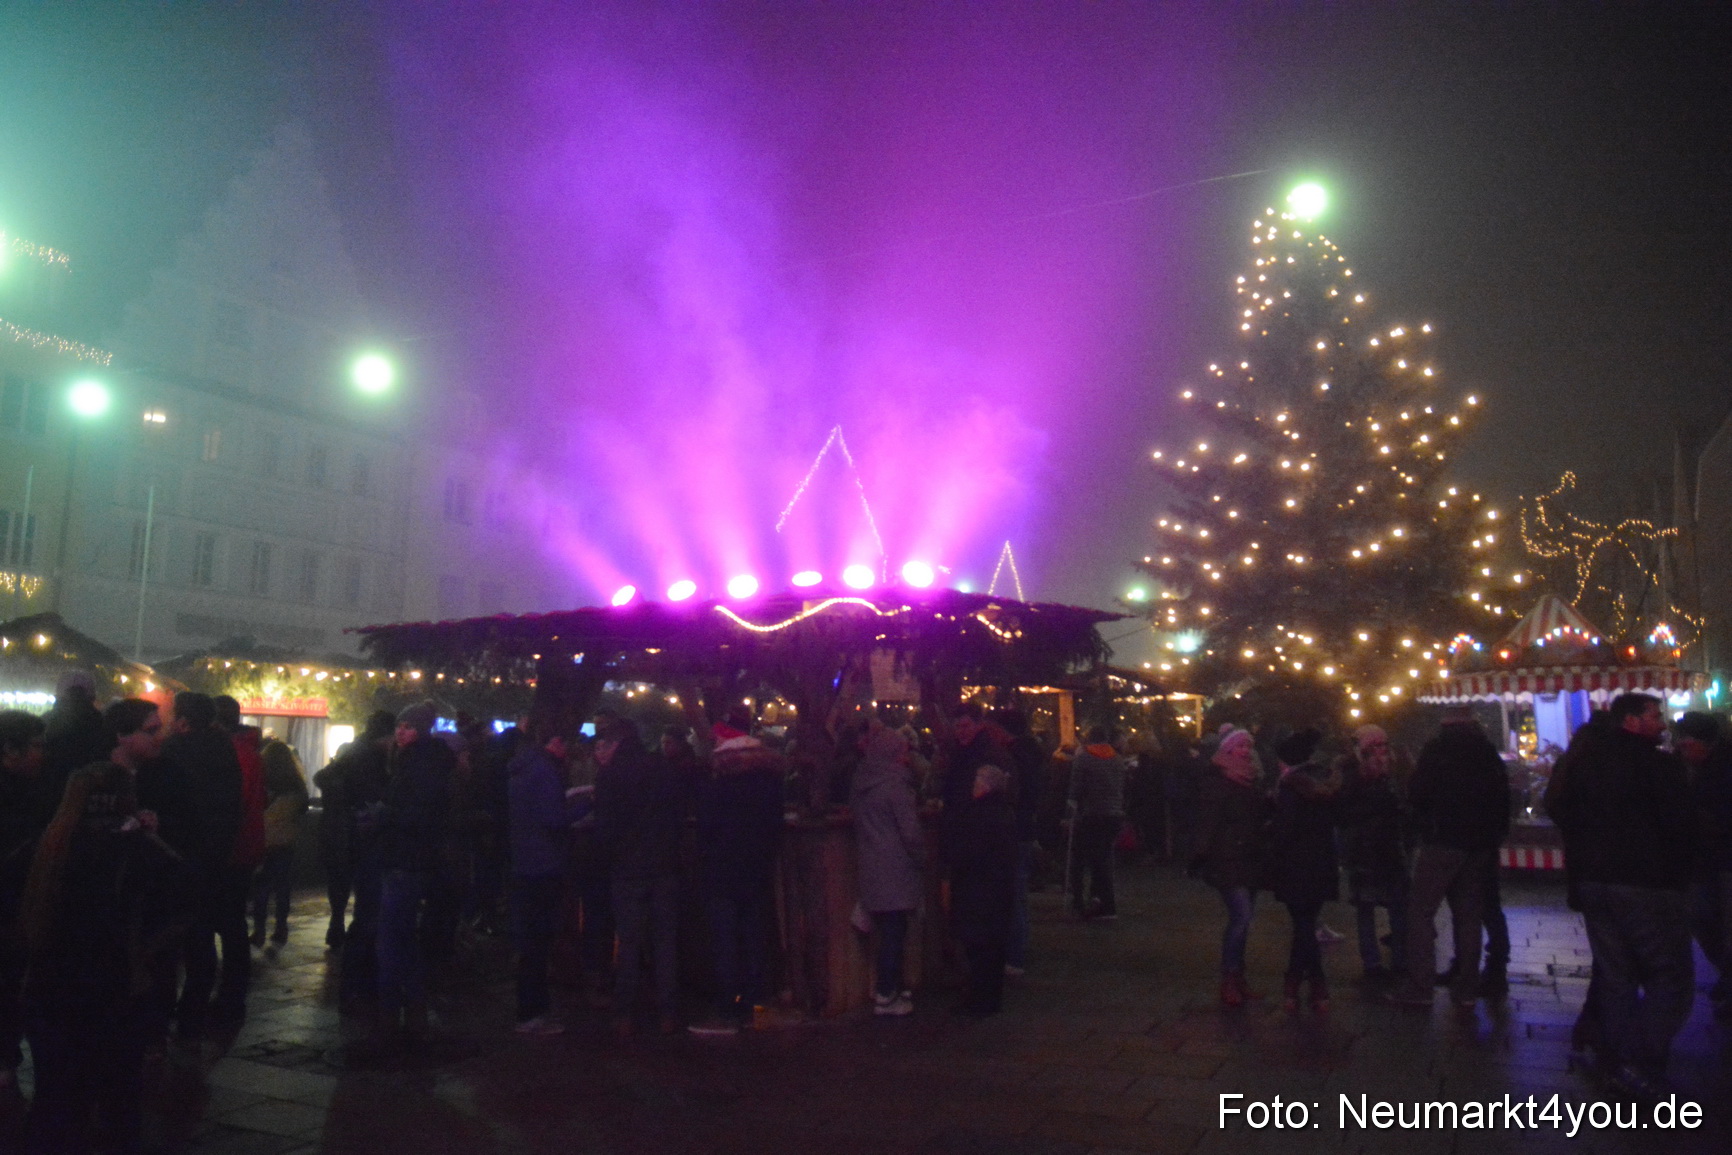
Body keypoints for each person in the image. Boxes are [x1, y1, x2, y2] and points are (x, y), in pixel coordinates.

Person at [19, 729, 192, 1154]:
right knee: (118, 1103)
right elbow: (181, 902)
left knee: (55, 1100)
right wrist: (146, 955)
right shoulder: (138, 854)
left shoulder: (42, 850)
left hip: (52, 991)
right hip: (117, 991)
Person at [1549, 692, 1696, 1099]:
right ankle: (1641, 1059)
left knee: (1616, 975)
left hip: (1595, 880)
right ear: (1631, 721)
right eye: (1654, 715)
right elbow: (1680, 826)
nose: (1662, 722)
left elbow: (1562, 808)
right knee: (1670, 976)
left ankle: (1615, 1057)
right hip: (1644, 881)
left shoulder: (1585, 764)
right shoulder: (1658, 766)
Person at [1389, 708, 1509, 1009]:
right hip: (1479, 844)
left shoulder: (1437, 750)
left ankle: (1420, 984)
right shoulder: (1486, 752)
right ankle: (1466, 986)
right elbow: (1503, 797)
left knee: (1420, 909)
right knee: (1468, 914)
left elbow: (1418, 793)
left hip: (1443, 839)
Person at [687, 706, 786, 1035]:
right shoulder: (771, 782)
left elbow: (707, 828)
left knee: (726, 940)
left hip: (723, 871)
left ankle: (729, 1009)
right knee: (755, 937)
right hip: (757, 868)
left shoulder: (718, 787)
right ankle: (757, 1005)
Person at [160, 691, 248, 1040]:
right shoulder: (224, 749)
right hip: (216, 858)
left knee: (172, 939)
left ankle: (165, 1017)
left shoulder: (175, 751)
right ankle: (193, 1014)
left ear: (182, 720)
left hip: (180, 858)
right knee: (204, 938)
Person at [594, 715, 684, 1036]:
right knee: (664, 941)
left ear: (617, 742)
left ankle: (625, 1014)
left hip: (627, 868)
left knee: (629, 941)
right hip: (663, 865)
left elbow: (604, 827)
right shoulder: (661, 769)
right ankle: (668, 1012)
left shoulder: (610, 775)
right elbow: (676, 815)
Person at [374, 701, 455, 1046]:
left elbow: (416, 814)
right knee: (403, 936)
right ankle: (412, 1005)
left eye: (408, 726)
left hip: (406, 859)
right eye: (399, 725)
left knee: (393, 935)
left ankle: (392, 1008)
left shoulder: (418, 764)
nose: (400, 732)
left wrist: (384, 815)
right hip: (416, 859)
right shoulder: (428, 761)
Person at [506, 725, 589, 1036]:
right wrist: (587, 804)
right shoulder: (545, 771)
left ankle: (529, 1009)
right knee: (539, 942)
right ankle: (532, 1013)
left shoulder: (521, 768)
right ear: (555, 740)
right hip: (544, 864)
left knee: (530, 942)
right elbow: (554, 819)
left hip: (523, 862)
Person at [1191, 726, 1270, 1007]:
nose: (1245, 751)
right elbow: (1207, 822)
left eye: (1248, 746)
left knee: (1244, 920)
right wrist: (1200, 856)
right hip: (1227, 859)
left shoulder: (1251, 781)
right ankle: (1229, 978)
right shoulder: (1218, 782)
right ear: (1227, 749)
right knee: (1241, 916)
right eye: (1240, 746)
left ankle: (1238, 977)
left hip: (1249, 858)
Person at [852, 722, 925, 1016]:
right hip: (896, 866)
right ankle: (887, 993)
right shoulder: (896, 786)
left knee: (884, 931)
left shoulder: (861, 783)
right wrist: (921, 857)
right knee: (895, 933)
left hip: (870, 862)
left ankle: (889, 987)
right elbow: (910, 832)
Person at [1267, 728, 1340, 1013]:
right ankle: (1309, 986)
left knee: (1303, 925)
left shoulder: (1288, 788)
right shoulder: (1324, 784)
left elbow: (1285, 830)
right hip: (1321, 862)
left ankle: (1300, 983)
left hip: (1295, 864)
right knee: (1306, 924)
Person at [0, 711, 49, 1094]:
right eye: (35, 746)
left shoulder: (29, 789)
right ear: (9, 750)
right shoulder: (23, 795)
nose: (42, 754)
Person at [1336, 725, 1408, 984]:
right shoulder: (1393, 773)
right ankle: (1398, 959)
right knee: (1395, 907)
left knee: (1368, 910)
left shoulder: (1352, 774)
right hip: (1385, 848)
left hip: (1366, 849)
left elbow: (1342, 811)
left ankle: (1375, 961)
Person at [1673, 711, 1732, 1015]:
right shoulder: (1690, 769)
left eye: (1687, 744)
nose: (1681, 749)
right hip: (1705, 861)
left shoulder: (1719, 771)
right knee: (1703, 918)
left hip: (1721, 860)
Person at [335, 711, 394, 1012]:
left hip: (357, 845)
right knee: (368, 917)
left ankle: (355, 983)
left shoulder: (356, 755)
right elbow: (375, 802)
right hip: (367, 846)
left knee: (366, 915)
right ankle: (357, 984)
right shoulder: (369, 761)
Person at [950, 764, 1018, 1015]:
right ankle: (991, 999)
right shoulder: (1004, 812)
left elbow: (967, 854)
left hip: (978, 891)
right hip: (997, 890)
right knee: (993, 947)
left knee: (979, 948)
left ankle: (979, 1000)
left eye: (977, 781)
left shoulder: (979, 815)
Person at [212, 697, 268, 952]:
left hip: (232, 847)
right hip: (246, 845)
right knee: (233, 918)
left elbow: (236, 803)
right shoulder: (250, 752)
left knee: (228, 919)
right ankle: (235, 980)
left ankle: (232, 982)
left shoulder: (233, 753)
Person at [999, 708, 1046, 976]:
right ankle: (1020, 949)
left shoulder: (1015, 757)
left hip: (1016, 828)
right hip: (1027, 827)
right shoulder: (1033, 754)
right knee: (1020, 892)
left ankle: (1014, 955)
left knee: (1013, 893)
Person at [1066, 725, 1129, 921]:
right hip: (1114, 813)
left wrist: (1070, 809)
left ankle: (1099, 904)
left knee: (1087, 859)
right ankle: (1100, 900)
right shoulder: (1117, 760)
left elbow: (1075, 787)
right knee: (1104, 858)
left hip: (1091, 813)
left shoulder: (1084, 758)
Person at [252, 732, 308, 945]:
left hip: (263, 840)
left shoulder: (263, 784)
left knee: (261, 887)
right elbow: (301, 810)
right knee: (283, 887)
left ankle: (258, 931)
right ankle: (281, 928)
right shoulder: (296, 787)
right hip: (286, 842)